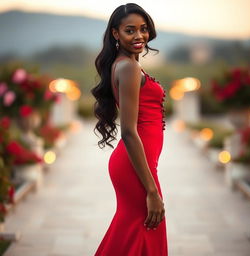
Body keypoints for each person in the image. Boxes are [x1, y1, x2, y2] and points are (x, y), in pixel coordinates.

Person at [91, 3, 168, 255]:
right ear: (116, 33)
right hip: (135, 164)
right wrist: (152, 190)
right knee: (142, 232)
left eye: (144, 29)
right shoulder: (129, 67)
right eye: (130, 30)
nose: (139, 36)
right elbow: (128, 131)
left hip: (139, 162)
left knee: (133, 235)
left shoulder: (127, 64)